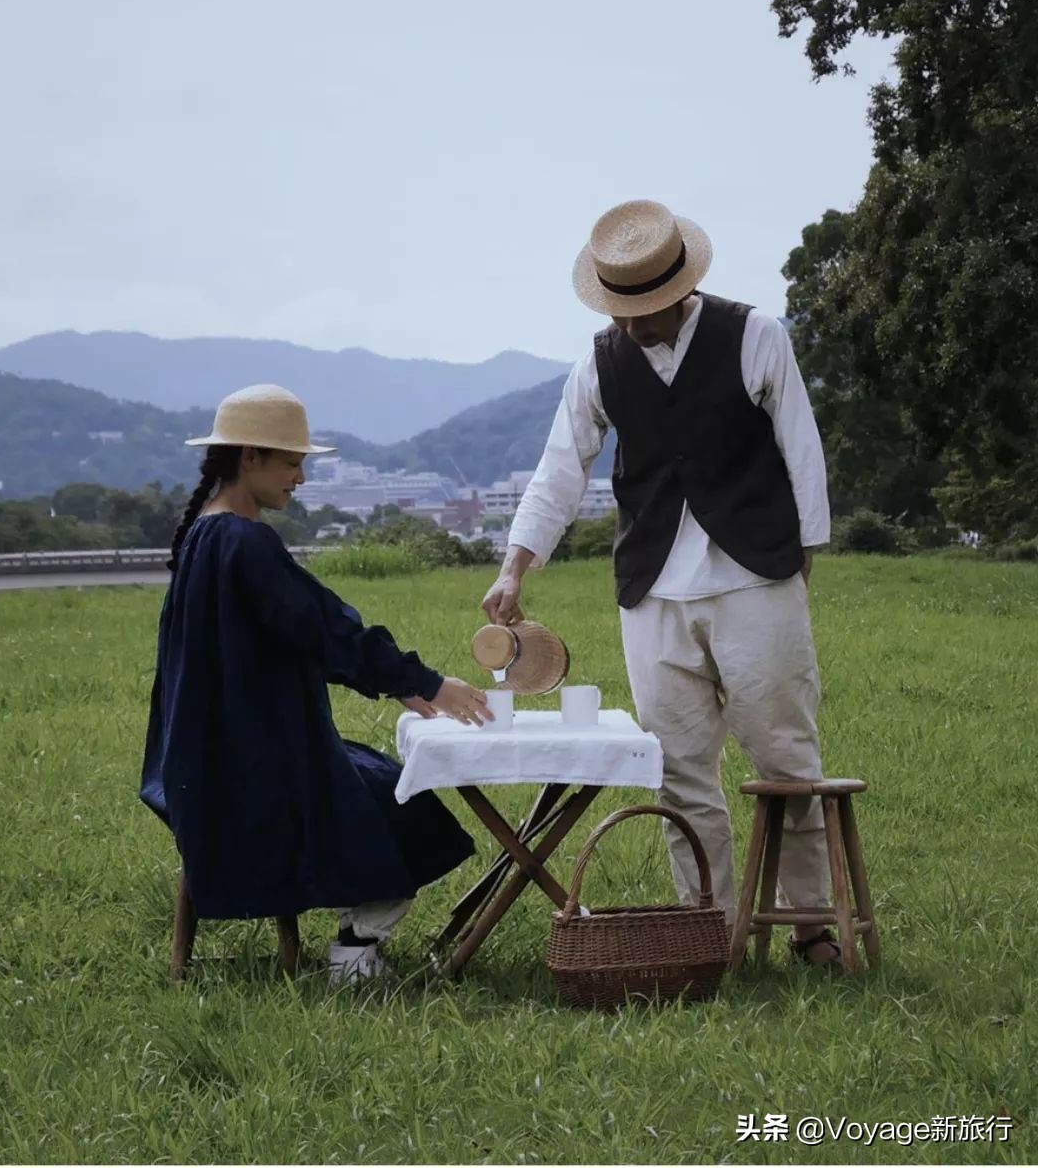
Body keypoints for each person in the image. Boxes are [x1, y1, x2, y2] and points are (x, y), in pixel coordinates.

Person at [482, 200, 841, 967]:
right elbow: (559, 469)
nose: (637, 324)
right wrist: (517, 566)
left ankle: (810, 926)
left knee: (786, 758)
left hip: (755, 579)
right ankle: (705, 928)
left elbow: (801, 447)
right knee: (679, 769)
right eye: (624, 309)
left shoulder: (755, 335)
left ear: (683, 285)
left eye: (647, 307)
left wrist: (801, 557)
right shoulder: (599, 362)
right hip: (650, 591)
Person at [140, 383, 491, 981]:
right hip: (257, 768)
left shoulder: (203, 534)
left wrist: (399, 683)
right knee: (411, 809)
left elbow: (305, 635)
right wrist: (428, 683)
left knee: (377, 777)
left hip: (207, 763)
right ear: (249, 457)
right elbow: (327, 629)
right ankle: (356, 949)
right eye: (292, 462)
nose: (300, 478)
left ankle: (357, 941)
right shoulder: (244, 542)